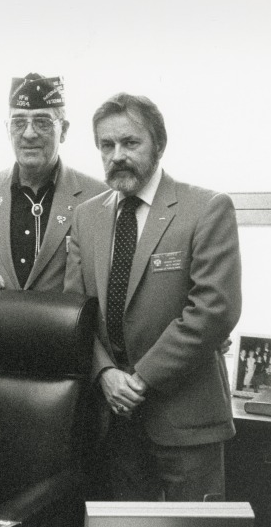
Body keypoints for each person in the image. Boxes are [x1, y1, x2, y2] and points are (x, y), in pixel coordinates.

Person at [64, 93, 242, 502]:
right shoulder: (87, 216)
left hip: (186, 418)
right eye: (106, 146)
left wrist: (140, 380)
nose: (117, 155)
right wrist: (105, 374)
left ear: (159, 145)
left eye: (130, 143)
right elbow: (74, 314)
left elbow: (214, 310)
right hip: (114, 420)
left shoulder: (206, 208)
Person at [0, 73, 105, 293]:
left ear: (64, 130)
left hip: (64, 327)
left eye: (42, 122)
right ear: (7, 129)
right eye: (19, 122)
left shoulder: (98, 196)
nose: (29, 134)